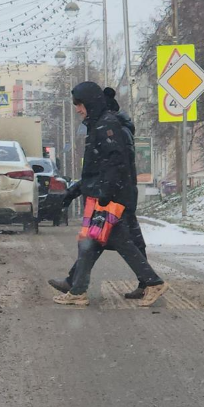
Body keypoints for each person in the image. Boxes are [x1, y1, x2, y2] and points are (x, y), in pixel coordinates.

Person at [49, 81, 169, 308]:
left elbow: (115, 164)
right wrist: (74, 192)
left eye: (79, 104)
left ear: (90, 102)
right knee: (92, 242)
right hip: (104, 196)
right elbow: (95, 169)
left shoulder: (107, 126)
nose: (77, 109)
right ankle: (76, 287)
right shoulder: (100, 125)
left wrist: (105, 194)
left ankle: (152, 282)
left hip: (108, 199)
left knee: (112, 241)